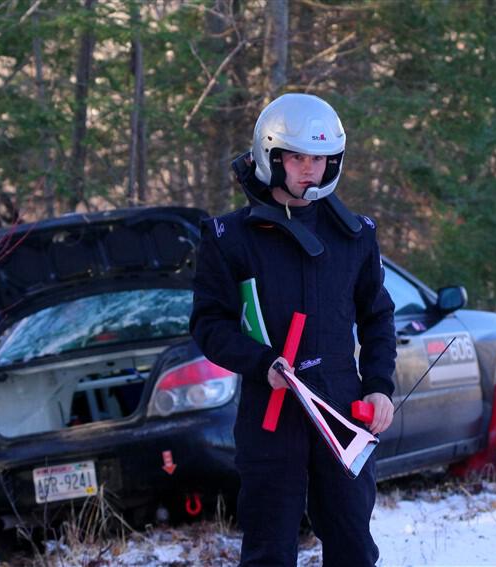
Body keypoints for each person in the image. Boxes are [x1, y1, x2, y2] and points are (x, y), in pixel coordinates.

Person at [190, 93, 397, 565]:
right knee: (269, 551)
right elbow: (208, 324)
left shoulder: (356, 235)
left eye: (321, 159)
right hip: (272, 412)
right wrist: (261, 364)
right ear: (271, 155)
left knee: (353, 547)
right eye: (299, 157)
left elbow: (378, 316)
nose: (311, 169)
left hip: (344, 410)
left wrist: (381, 387)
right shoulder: (229, 238)